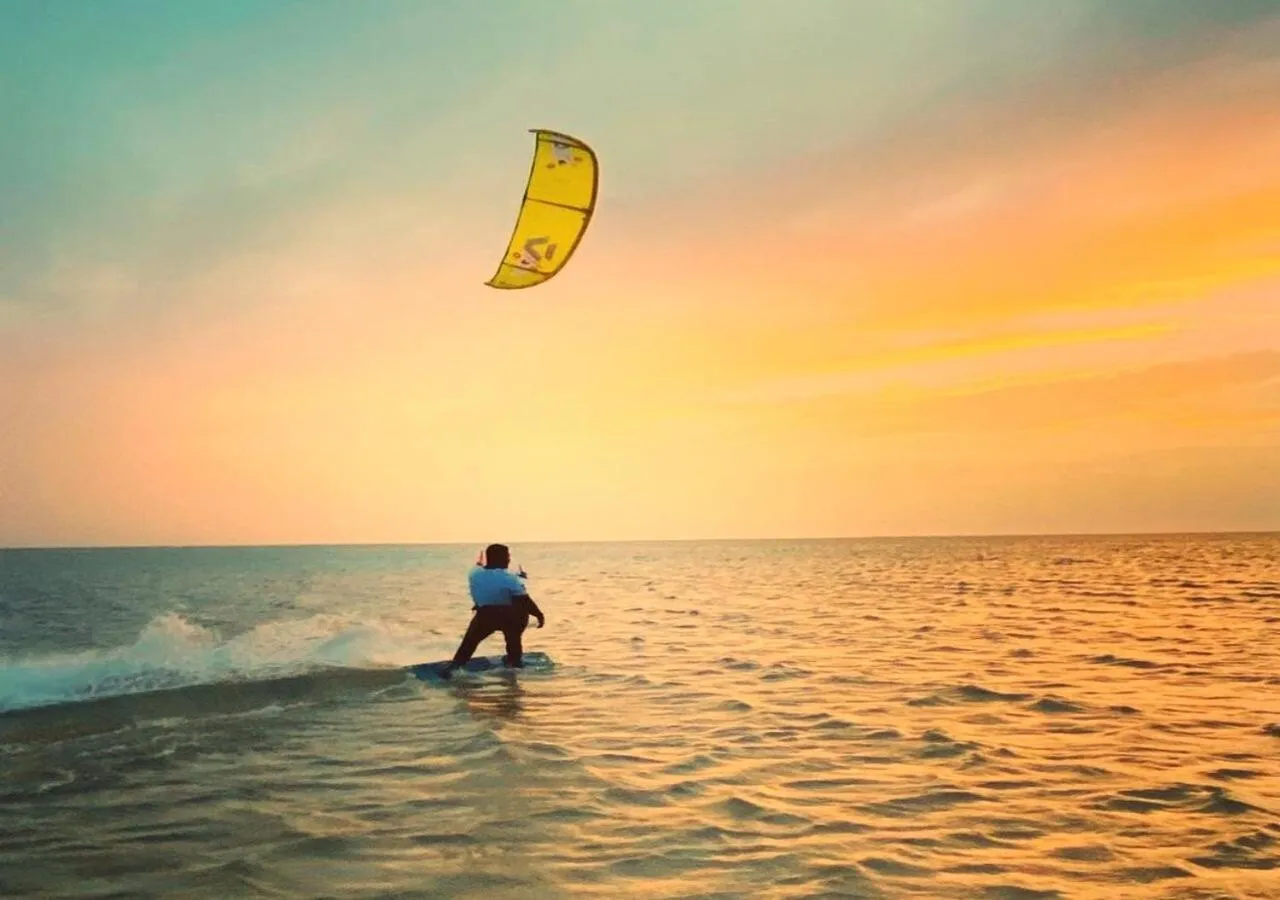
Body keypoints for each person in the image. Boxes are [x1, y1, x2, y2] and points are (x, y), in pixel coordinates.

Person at [439, 543, 545, 679]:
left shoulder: (474, 573)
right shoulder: (510, 579)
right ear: (499, 558)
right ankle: (514, 662)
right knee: (516, 627)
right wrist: (539, 615)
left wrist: (481, 560)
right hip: (508, 617)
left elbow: (479, 564)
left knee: (469, 643)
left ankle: (455, 666)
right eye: (507, 557)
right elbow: (525, 601)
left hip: (485, 616)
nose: (509, 560)